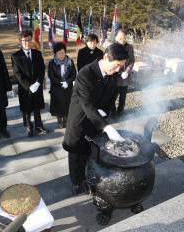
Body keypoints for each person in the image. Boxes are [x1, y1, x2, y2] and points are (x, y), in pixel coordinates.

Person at [62, 43, 129, 195]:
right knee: (75, 153)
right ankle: (75, 182)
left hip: (97, 121)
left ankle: (88, 177)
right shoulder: (86, 74)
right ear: (106, 57)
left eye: (121, 67)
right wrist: (107, 127)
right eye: (117, 65)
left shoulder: (114, 75)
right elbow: (87, 105)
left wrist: (105, 112)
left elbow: (112, 98)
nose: (118, 70)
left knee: (90, 151)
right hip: (80, 120)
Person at [11, 30, 50, 137]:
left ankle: (39, 126)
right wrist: (29, 85)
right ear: (20, 41)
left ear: (31, 40)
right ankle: (28, 126)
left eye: (28, 40)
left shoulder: (37, 53)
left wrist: (38, 83)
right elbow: (17, 73)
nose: (26, 42)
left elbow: (42, 69)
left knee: (37, 107)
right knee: (26, 108)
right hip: (25, 87)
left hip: (37, 86)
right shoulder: (16, 56)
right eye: (24, 40)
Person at [48, 42, 77, 129]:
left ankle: (66, 120)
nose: (62, 55)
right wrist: (60, 83)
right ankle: (59, 120)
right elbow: (51, 75)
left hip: (68, 88)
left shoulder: (70, 61)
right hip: (56, 88)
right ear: (55, 53)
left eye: (63, 52)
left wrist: (67, 82)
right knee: (58, 105)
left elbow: (74, 74)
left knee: (67, 104)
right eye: (59, 53)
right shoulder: (52, 63)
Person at [112, 29, 135, 116]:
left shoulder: (129, 47)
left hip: (125, 77)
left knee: (123, 96)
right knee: (112, 96)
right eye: (120, 38)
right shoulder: (112, 47)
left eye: (124, 38)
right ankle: (112, 111)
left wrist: (127, 72)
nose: (122, 40)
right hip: (114, 76)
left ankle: (120, 111)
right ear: (116, 38)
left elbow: (132, 60)